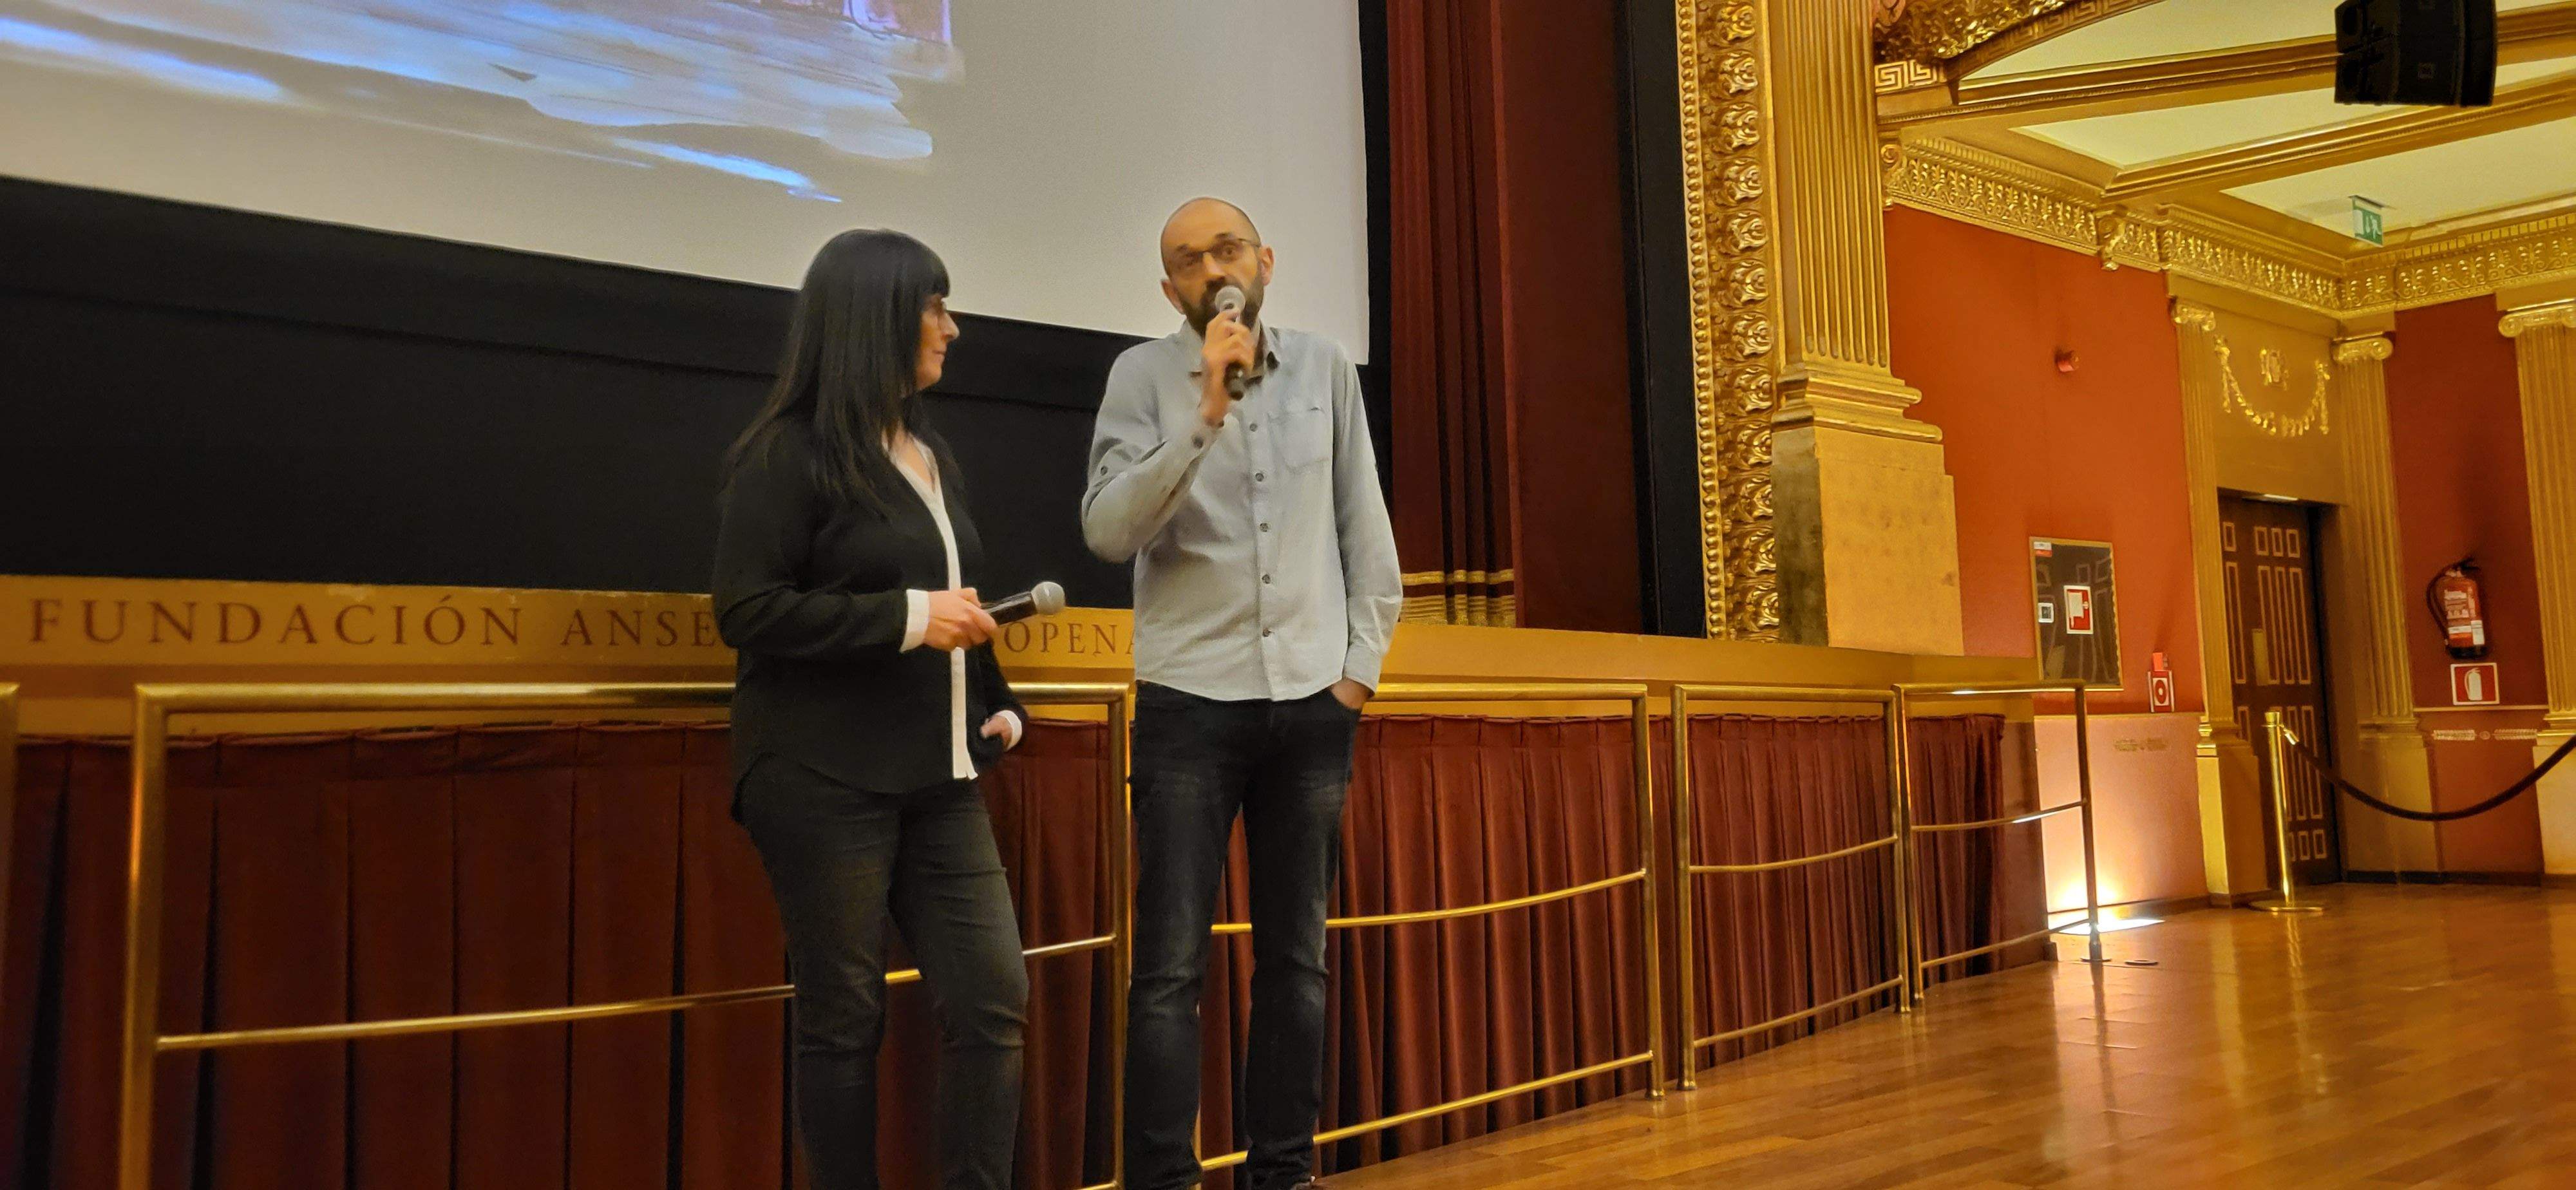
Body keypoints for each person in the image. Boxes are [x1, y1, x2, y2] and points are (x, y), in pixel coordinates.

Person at [1083, 198, 1401, 1190]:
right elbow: (1106, 531)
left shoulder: (1326, 371)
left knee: (1296, 964)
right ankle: (1163, 1180)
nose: (1211, 269)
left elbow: (1366, 531)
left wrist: (1356, 673)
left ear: (1264, 259)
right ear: (1168, 288)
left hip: (1312, 703)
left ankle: (1282, 1172)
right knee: (1169, 972)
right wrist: (1204, 417)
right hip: (1189, 702)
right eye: (1187, 260)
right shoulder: (1141, 380)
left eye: (1226, 250)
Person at [713, 228, 1029, 1190]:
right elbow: (748, 610)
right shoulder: (787, 453)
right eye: (935, 307)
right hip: (819, 777)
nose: (953, 327)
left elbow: (951, 599)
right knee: (843, 1021)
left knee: (994, 1002)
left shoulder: (930, 455)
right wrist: (906, 618)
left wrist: (997, 701)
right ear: (877, 319)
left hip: (940, 781)